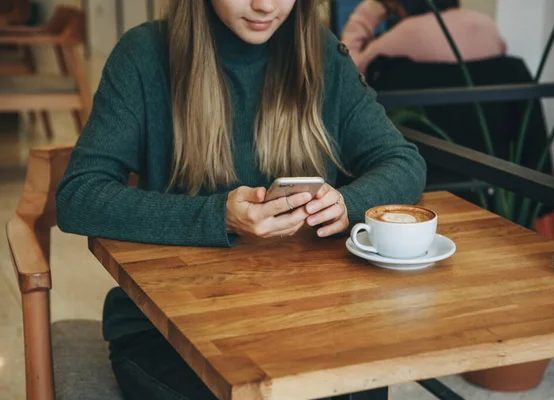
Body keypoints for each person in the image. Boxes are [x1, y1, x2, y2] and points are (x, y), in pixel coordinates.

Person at [55, 0, 426, 399]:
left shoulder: (319, 52)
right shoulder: (144, 54)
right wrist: (219, 216)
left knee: (359, 386)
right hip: (170, 327)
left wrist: (347, 204)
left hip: (302, 316)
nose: (265, 5)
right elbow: (79, 196)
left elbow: (403, 161)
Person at [341, 0, 506, 73]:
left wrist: (367, 14)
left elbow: (349, 74)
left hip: (419, 138)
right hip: (486, 140)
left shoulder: (402, 36)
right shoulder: (487, 26)